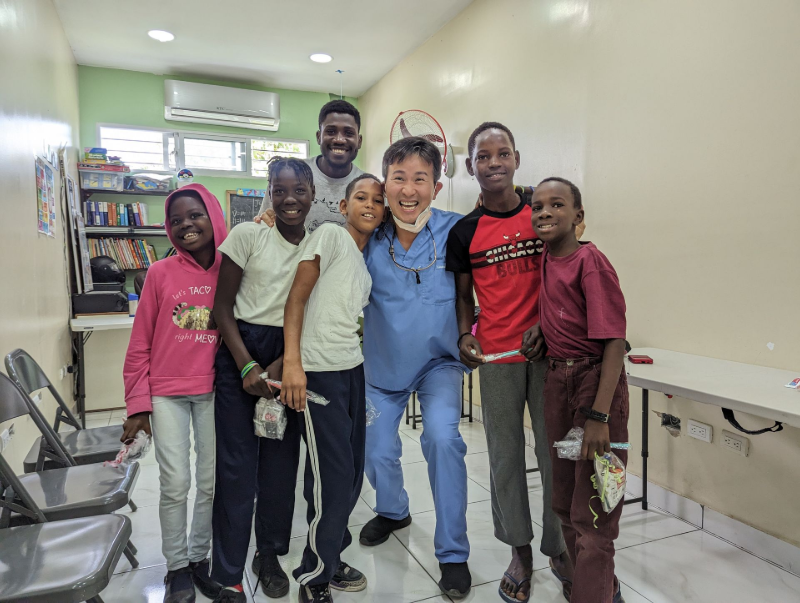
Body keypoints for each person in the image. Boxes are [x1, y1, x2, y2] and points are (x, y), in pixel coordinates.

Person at [445, 123, 572, 602]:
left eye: (502, 154)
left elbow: (564, 270)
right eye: (483, 156)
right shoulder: (465, 231)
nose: (493, 162)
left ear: (517, 158)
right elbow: (463, 295)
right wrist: (464, 334)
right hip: (497, 356)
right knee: (505, 458)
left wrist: (546, 321)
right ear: (471, 165)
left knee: (554, 454)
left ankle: (558, 548)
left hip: (549, 353)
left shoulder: (540, 216)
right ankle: (519, 550)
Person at [359, 137, 472, 599]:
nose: (409, 190)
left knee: (444, 439)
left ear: (437, 185)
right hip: (381, 367)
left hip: (439, 364)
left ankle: (453, 553)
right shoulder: (366, 235)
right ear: (384, 184)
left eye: (419, 179)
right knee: (375, 445)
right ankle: (393, 510)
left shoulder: (457, 231)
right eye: (398, 178)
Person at [210, 157, 313, 603]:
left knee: (278, 467)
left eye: (298, 190)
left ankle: (267, 555)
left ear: (313, 194)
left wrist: (285, 363)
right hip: (241, 352)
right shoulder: (248, 235)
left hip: (289, 359)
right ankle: (228, 569)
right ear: (269, 193)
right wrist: (248, 365)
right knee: (236, 468)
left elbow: (315, 312)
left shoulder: (320, 245)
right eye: (279, 190)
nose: (289, 199)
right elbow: (221, 307)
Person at [281, 174, 385, 602]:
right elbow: (297, 298)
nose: (370, 204)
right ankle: (315, 578)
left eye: (378, 200)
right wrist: (293, 363)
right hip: (319, 371)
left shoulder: (364, 260)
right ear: (343, 207)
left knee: (348, 472)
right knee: (334, 476)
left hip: (351, 369)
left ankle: (330, 554)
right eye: (360, 197)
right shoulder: (329, 235)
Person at [122, 184, 227, 603]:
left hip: (214, 392)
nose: (186, 225)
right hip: (166, 393)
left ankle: (199, 559)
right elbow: (140, 343)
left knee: (209, 480)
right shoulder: (160, 274)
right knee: (175, 483)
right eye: (176, 219)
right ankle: (176, 566)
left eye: (195, 215)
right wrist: (137, 406)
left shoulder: (231, 267)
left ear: (214, 216)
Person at [531, 177, 628, 603]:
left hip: (594, 391)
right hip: (558, 384)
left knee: (595, 515)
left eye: (557, 205)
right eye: (537, 206)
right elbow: (563, 313)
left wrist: (598, 416)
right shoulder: (547, 259)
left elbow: (614, 342)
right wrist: (540, 330)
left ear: (579, 217)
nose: (545, 212)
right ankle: (596, 588)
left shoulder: (592, 262)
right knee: (566, 504)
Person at [258, 100, 363, 232]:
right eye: (331, 131)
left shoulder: (368, 186)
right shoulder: (289, 175)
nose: (339, 139)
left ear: (359, 141)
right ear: (319, 137)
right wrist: (266, 221)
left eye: (348, 133)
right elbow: (264, 223)